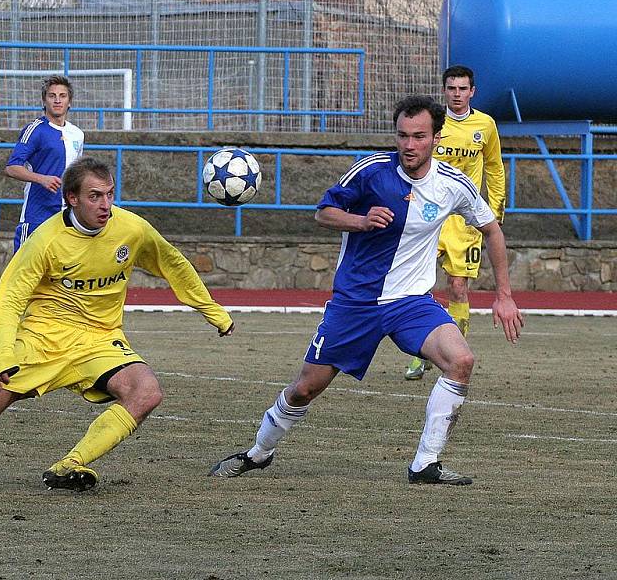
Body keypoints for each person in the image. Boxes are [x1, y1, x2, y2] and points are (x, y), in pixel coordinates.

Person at [208, 95, 522, 485]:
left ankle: (426, 464)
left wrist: (504, 294)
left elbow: (491, 229)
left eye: (419, 136)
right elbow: (324, 212)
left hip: (410, 303)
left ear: (437, 138)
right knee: (306, 389)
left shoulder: (453, 185)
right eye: (403, 136)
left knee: (461, 361)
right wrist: (360, 220)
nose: (409, 145)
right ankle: (259, 452)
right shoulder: (372, 171)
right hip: (357, 301)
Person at [0, 157, 235, 492]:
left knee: (146, 392)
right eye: (95, 196)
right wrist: (0, 356)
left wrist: (213, 311)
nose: (105, 204)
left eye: (110, 194)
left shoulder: (132, 229)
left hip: (99, 340)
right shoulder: (46, 240)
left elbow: (173, 264)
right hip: (43, 339)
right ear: (72, 198)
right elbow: (9, 299)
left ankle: (70, 464)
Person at [405, 65, 506, 380]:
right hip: (428, 216)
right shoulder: (433, 124)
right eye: (452, 88)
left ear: (472, 91)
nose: (457, 94)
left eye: (463, 89)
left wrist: (495, 212)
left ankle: (451, 350)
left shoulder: (485, 126)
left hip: (465, 221)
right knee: (417, 285)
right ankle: (419, 352)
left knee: (458, 286)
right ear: (444, 90)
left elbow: (495, 167)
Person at [5, 74, 85, 252]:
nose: (57, 100)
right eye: (52, 96)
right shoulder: (35, 130)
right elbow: (11, 167)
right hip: (37, 214)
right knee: (24, 274)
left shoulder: (77, 134)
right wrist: (42, 179)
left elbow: (78, 173)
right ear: (44, 100)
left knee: (63, 274)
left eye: (62, 96)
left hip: (67, 215)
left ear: (69, 101)